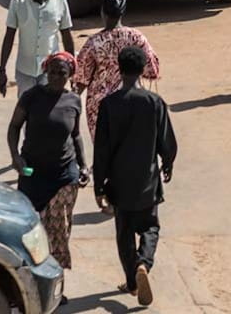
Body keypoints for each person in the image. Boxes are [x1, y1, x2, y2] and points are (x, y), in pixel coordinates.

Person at [94, 46, 177, 306]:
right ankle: (144, 263)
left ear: (119, 69)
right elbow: (167, 142)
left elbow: (101, 150)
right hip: (147, 180)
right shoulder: (154, 103)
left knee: (125, 233)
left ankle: (132, 279)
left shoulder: (108, 105)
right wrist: (167, 163)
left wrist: (99, 186)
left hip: (119, 183)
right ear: (143, 71)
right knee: (151, 227)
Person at [8, 51, 87, 298]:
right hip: (32, 174)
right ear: (45, 71)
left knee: (58, 231)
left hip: (64, 175)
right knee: (32, 232)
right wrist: (16, 157)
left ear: (70, 75)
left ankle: (56, 288)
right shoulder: (31, 97)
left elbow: (75, 135)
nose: (55, 77)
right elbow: (14, 127)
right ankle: (30, 287)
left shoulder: (73, 101)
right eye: (52, 72)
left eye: (62, 73)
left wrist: (84, 166)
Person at [72, 0, 161, 144]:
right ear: (122, 13)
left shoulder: (94, 43)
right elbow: (152, 70)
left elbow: (80, 78)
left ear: (103, 13)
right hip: (133, 100)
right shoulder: (136, 37)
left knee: (104, 151)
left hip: (99, 107)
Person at [0, 0, 76, 96]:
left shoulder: (60, 2)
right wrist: (2, 70)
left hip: (51, 72)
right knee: (25, 109)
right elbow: (9, 36)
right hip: (25, 69)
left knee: (48, 107)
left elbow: (67, 36)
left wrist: (72, 69)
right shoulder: (17, 2)